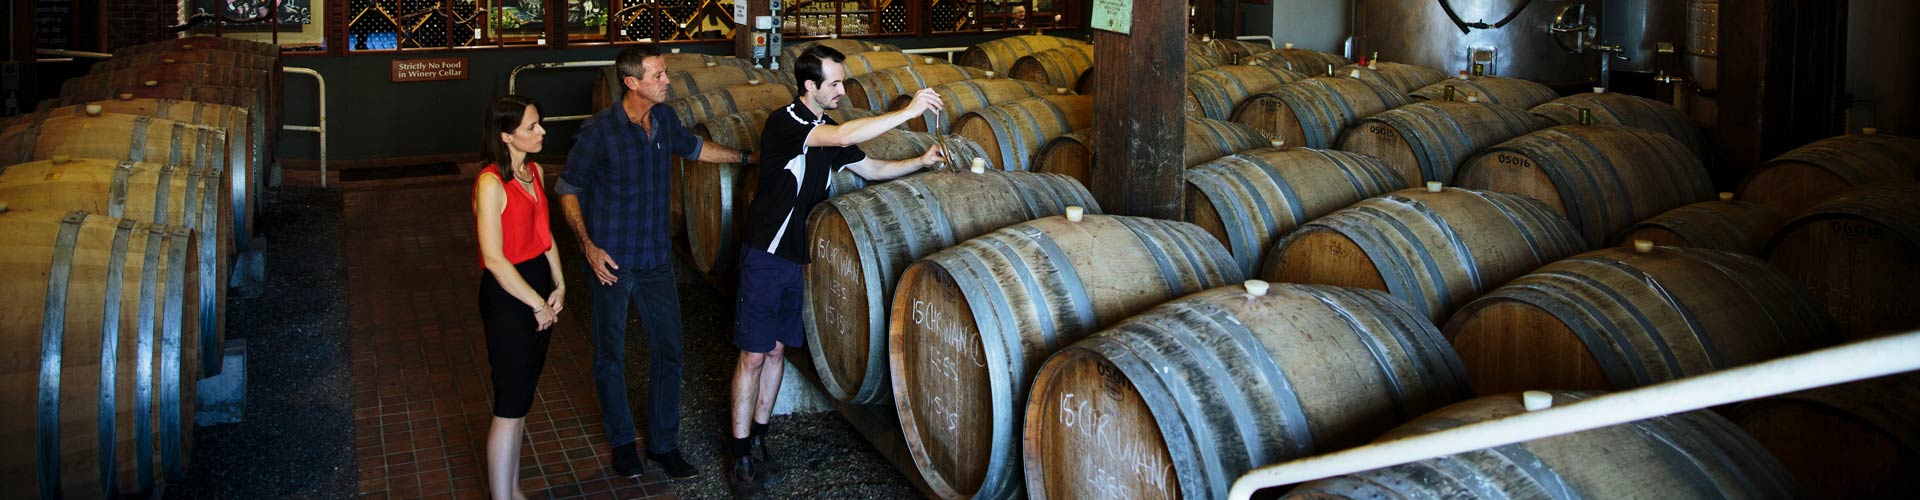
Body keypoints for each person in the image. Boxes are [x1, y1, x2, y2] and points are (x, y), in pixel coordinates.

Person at [724, 45, 947, 497]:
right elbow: (843, 139)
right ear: (810, 86)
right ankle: (740, 452)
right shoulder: (787, 124)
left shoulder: (826, 130)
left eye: (843, 82)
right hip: (765, 253)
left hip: (793, 256)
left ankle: (761, 440)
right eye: (835, 84)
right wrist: (909, 111)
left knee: (777, 352)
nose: (842, 90)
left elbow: (870, 166)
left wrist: (919, 162)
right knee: (751, 354)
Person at [557, 44, 750, 480]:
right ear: (632, 83)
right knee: (611, 353)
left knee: (670, 350)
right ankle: (623, 442)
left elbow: (696, 149)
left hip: (655, 258)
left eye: (665, 73)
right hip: (611, 260)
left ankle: (663, 445)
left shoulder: (663, 119)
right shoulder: (599, 132)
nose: (668, 81)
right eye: (658, 75)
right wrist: (588, 245)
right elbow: (568, 188)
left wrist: (744, 158)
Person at [474, 95, 563, 500]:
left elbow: (546, 239)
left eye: (539, 123)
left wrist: (559, 285)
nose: (541, 131)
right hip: (510, 296)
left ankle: (511, 487)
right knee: (509, 404)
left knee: (523, 398)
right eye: (531, 127)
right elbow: (494, 259)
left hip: (539, 288)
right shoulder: (491, 183)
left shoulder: (536, 172)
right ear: (506, 135)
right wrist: (537, 303)